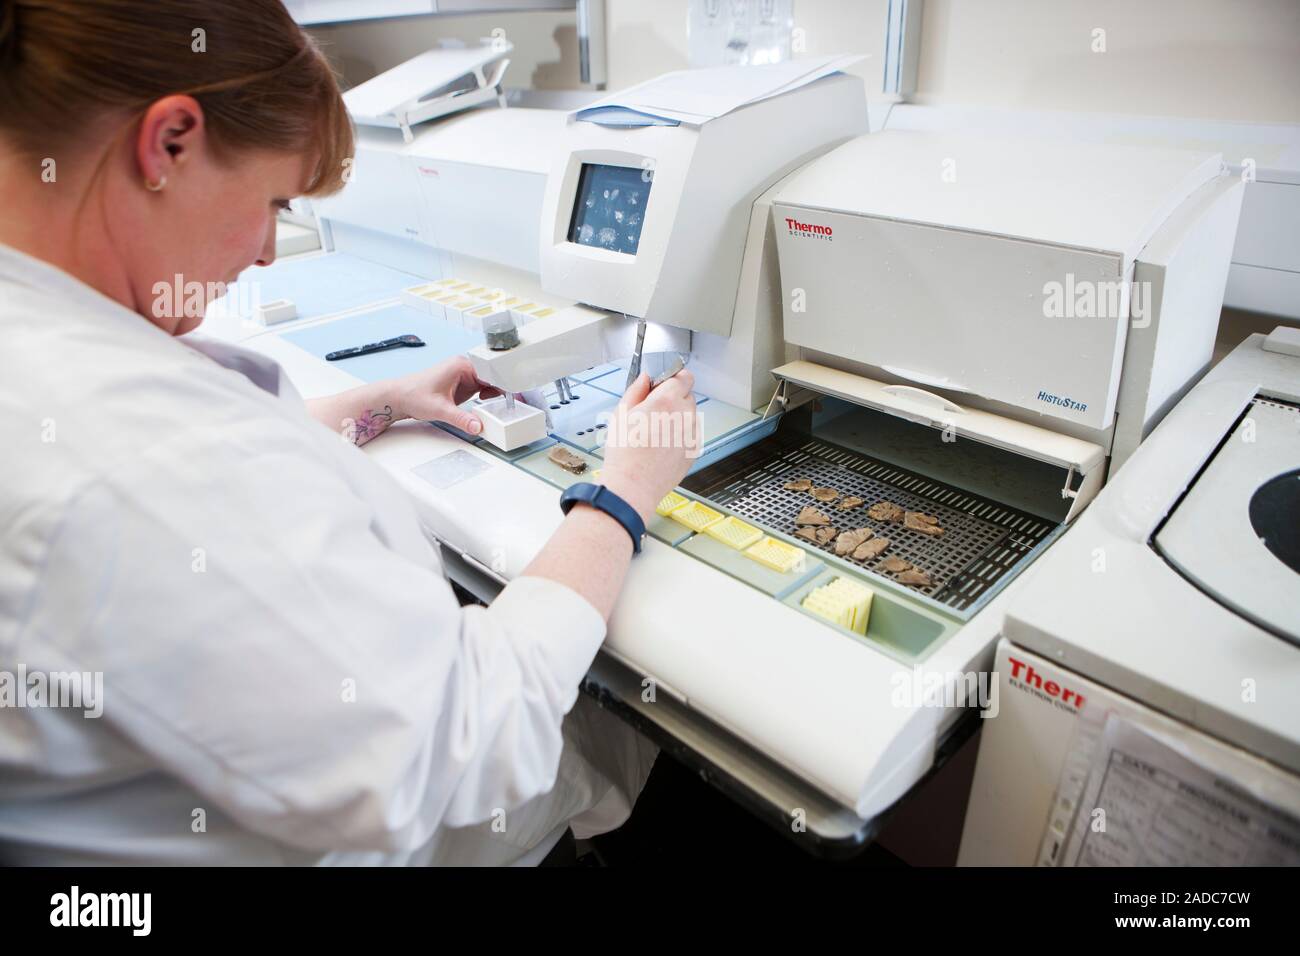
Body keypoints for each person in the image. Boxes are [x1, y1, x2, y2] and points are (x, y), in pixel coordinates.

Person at [0, 0, 697, 864]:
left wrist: (386, 403)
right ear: (169, 143)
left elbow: (223, 452)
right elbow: (474, 736)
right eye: (272, 200)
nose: (264, 250)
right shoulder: (141, 461)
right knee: (642, 740)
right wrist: (622, 493)